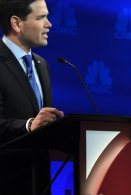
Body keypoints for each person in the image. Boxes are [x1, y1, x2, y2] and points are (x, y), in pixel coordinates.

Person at [0, 0, 64, 194]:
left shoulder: (41, 64)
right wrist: (28, 125)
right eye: (41, 17)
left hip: (40, 182)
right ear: (16, 23)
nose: (49, 24)